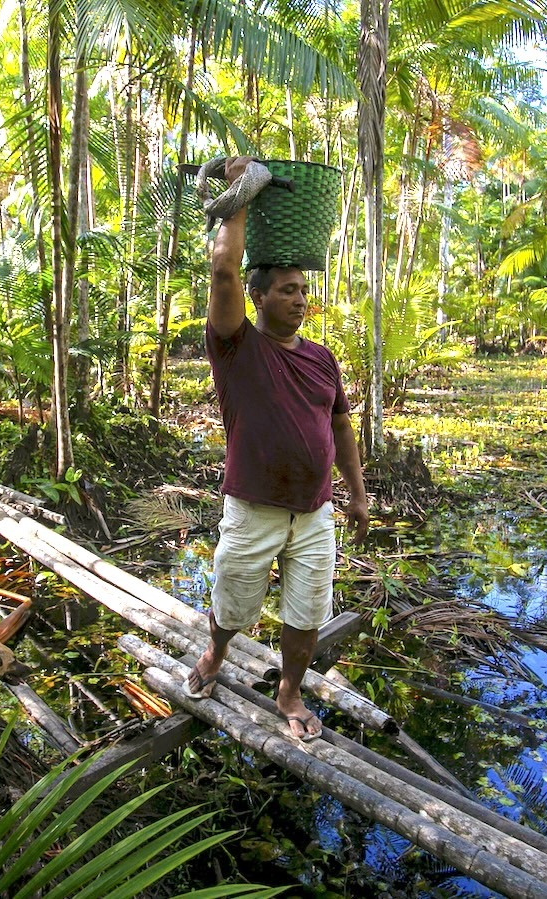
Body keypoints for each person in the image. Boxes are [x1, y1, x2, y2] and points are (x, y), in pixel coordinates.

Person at [184, 156, 370, 742]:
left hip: (313, 512)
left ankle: (288, 690)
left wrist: (357, 496)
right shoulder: (237, 348)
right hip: (253, 507)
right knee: (233, 602)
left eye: (303, 292)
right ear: (257, 297)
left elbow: (342, 428)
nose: (300, 301)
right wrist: (241, 197)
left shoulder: (322, 358)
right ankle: (215, 653)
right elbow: (221, 272)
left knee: (307, 612)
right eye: (287, 291)